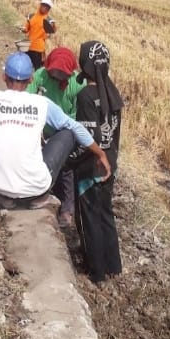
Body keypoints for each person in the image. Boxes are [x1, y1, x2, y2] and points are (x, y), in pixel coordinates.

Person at [0, 51, 110, 211]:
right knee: (68, 133)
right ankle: (41, 197)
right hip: (35, 189)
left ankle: (5, 197)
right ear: (31, 79)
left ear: (3, 77)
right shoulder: (41, 103)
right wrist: (100, 154)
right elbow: (76, 127)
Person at [68, 41, 124, 284]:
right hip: (110, 163)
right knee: (105, 214)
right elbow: (113, 136)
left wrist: (69, 161)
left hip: (91, 167)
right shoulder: (113, 93)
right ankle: (114, 266)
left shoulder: (85, 96)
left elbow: (88, 138)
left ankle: (97, 271)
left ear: (84, 65)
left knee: (89, 218)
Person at [26, 46, 85, 228]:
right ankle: (39, 193)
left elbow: (77, 117)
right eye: (54, 73)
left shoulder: (78, 84)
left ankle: (67, 209)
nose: (57, 77)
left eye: (62, 74)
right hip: (40, 129)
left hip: (65, 132)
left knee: (66, 167)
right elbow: (27, 101)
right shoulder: (40, 76)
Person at [23, 0, 56, 69]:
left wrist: (52, 26)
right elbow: (26, 29)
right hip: (28, 46)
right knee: (25, 67)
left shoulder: (49, 20)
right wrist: (23, 29)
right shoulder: (31, 16)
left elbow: (53, 31)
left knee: (37, 69)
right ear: (40, 5)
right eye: (43, 5)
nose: (45, 7)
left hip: (39, 49)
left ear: (49, 9)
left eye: (47, 7)